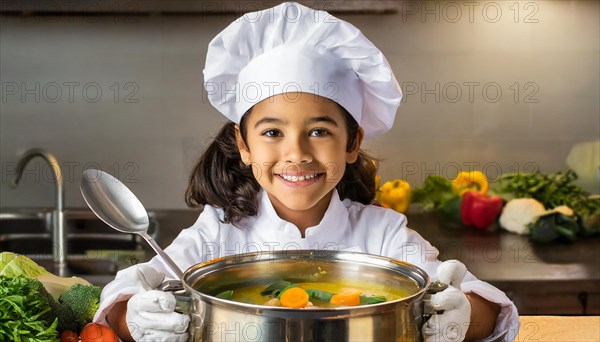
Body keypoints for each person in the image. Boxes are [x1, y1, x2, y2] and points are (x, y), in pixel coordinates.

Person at [93, 2, 519, 341]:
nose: (296, 154)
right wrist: (137, 316)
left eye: (318, 130)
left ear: (352, 143)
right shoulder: (217, 233)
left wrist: (461, 316)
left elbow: (489, 314)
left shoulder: (383, 233)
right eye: (272, 132)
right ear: (244, 146)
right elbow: (118, 304)